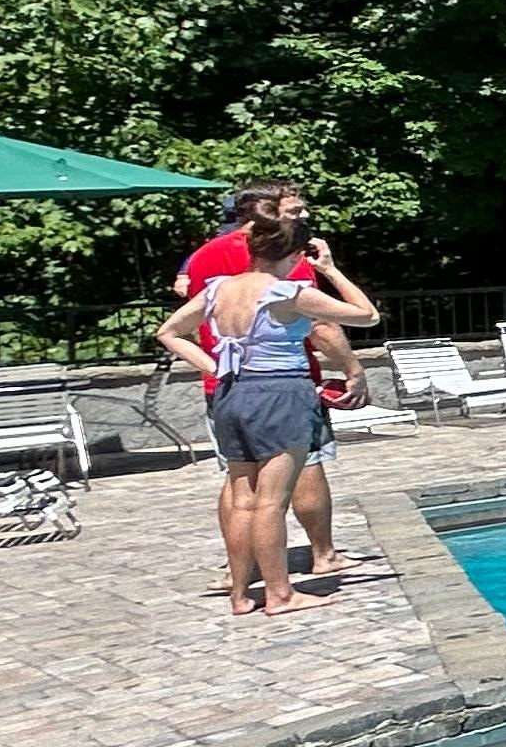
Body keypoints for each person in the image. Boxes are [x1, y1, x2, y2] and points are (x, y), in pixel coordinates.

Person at [159, 241, 379, 615]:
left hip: (231, 394)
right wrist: (329, 269)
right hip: (279, 397)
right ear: (293, 256)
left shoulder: (217, 288)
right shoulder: (288, 293)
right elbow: (366, 315)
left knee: (243, 498)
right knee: (271, 503)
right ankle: (280, 595)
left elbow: (168, 332)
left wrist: (215, 367)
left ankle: (240, 596)